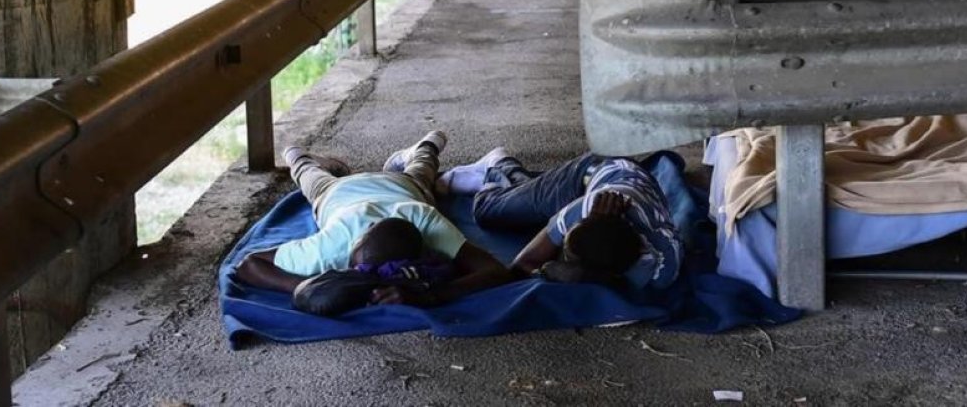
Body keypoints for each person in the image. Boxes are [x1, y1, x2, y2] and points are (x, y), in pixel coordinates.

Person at [235, 131, 511, 307]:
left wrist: (429, 295)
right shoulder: (333, 245)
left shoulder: (424, 218)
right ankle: (296, 155)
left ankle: (429, 144)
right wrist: (308, 288)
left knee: (421, 172)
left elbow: (498, 272)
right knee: (310, 177)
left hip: (392, 188)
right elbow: (248, 265)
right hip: (346, 191)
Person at [442, 149, 683, 290]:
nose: (562, 254)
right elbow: (522, 264)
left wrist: (561, 272)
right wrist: (550, 268)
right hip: (589, 175)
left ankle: (518, 181)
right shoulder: (587, 210)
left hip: (629, 187)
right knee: (488, 212)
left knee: (527, 208)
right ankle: (499, 164)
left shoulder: (662, 265)